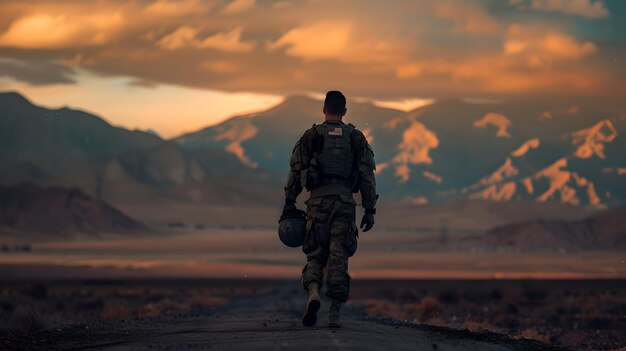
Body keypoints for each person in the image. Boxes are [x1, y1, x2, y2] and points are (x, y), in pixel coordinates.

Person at [282, 90, 378, 328]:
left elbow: (296, 170)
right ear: (344, 111)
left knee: (315, 254)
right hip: (344, 205)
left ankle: (314, 292)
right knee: (339, 257)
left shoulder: (311, 136)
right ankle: (334, 314)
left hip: (317, 204)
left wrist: (289, 201)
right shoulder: (356, 138)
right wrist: (369, 209)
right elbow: (367, 176)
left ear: (324, 109)